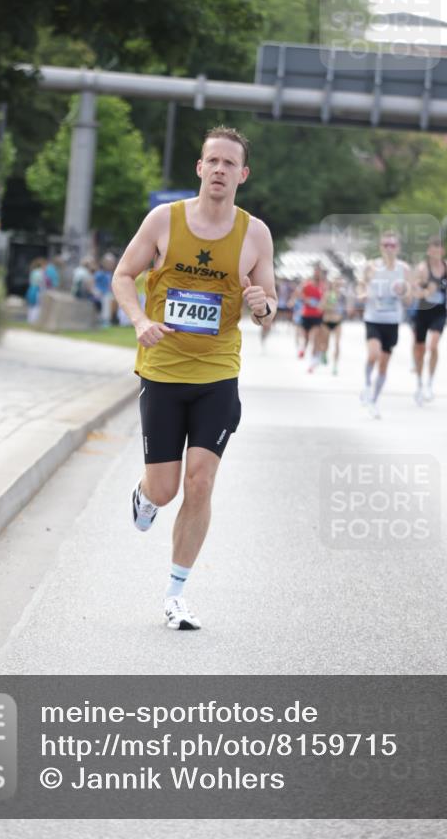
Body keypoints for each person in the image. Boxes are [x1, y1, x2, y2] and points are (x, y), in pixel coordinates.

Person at [112, 126, 276, 630]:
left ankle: (175, 593)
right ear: (199, 168)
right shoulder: (164, 220)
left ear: (242, 175)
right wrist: (140, 321)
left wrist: (262, 304)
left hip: (217, 374)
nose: (221, 170)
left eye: (231, 163)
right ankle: (145, 496)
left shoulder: (255, 234)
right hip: (162, 372)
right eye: (214, 161)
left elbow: (269, 304)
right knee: (164, 490)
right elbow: (123, 276)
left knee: (200, 483)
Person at [359, 230, 413, 419]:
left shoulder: (404, 269)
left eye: (393, 245)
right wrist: (363, 295)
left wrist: (403, 291)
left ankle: (374, 400)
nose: (389, 249)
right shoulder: (371, 266)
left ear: (398, 248)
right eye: (386, 245)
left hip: (392, 321)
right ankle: (366, 385)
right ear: (381, 248)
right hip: (373, 318)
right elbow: (361, 288)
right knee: (373, 354)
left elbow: (409, 300)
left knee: (383, 365)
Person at [412, 236, 447, 404]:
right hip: (423, 312)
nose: (435, 254)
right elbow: (415, 288)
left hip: (439, 312)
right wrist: (425, 291)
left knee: (433, 345)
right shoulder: (422, 269)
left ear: (443, 251)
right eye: (433, 250)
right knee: (420, 349)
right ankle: (419, 383)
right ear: (428, 251)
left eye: (439, 250)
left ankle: (429, 384)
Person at [299, 262, 325, 372]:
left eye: (319, 273)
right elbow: (300, 295)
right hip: (306, 314)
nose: (317, 274)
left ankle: (311, 363)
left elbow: (326, 299)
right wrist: (307, 300)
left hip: (317, 316)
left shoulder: (323, 287)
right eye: (316, 272)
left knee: (313, 338)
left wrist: (322, 305)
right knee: (305, 337)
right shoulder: (307, 285)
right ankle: (303, 348)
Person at [321, 275, 345, 375]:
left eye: (340, 285)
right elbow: (321, 306)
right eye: (337, 285)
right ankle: (324, 353)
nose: (338, 287)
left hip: (338, 322)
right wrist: (329, 306)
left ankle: (335, 366)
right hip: (327, 321)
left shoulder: (343, 296)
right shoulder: (328, 294)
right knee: (326, 344)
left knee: (337, 344)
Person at [93, 252, 117, 327]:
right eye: (109, 263)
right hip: (100, 293)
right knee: (107, 299)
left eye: (112, 263)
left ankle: (114, 319)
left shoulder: (110, 273)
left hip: (108, 293)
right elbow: (94, 284)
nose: (110, 265)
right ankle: (105, 320)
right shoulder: (100, 273)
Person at [25, 257, 46, 325]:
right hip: (37, 290)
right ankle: (34, 321)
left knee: (31, 305)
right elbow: (42, 283)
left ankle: (30, 320)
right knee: (36, 306)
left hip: (31, 289)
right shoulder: (41, 272)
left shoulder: (33, 271)